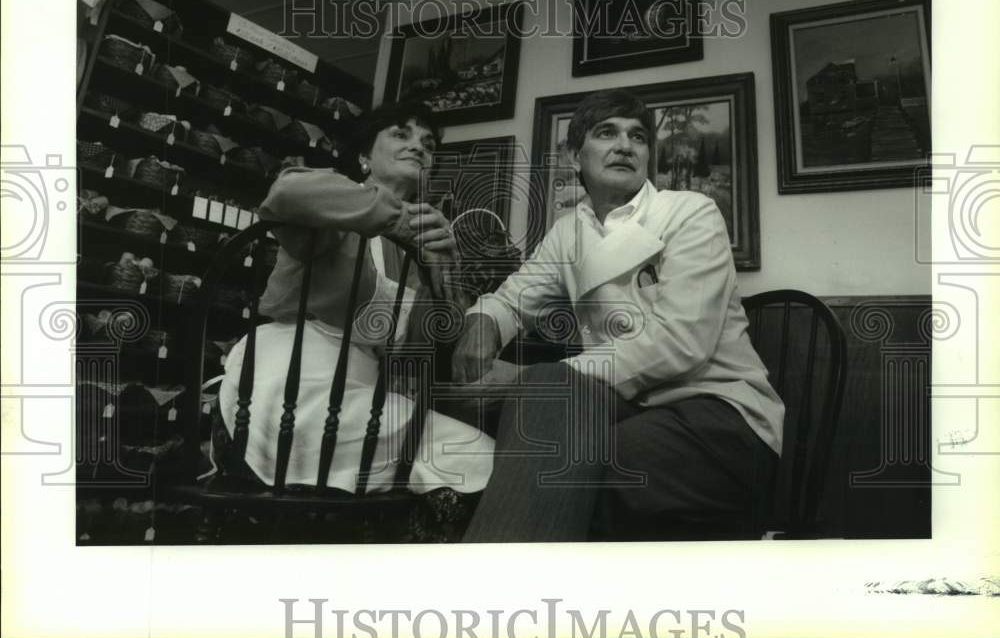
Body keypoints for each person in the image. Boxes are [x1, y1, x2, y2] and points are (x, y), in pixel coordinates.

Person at [451, 89, 785, 542]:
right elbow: (513, 298)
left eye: (638, 137)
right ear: (575, 156)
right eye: (606, 133)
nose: (625, 145)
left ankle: (497, 599)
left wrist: (522, 380)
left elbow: (680, 344)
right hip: (622, 409)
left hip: (718, 416)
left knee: (558, 443)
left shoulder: (690, 212)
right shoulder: (568, 231)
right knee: (555, 430)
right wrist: (483, 321)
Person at [214, 100, 494, 501]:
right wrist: (395, 217)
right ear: (364, 156)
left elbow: (429, 346)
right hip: (294, 389)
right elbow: (286, 191)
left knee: (478, 454)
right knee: (473, 458)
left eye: (428, 143)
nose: (419, 146)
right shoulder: (335, 211)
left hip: (365, 395)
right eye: (401, 134)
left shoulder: (417, 249)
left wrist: (446, 272)